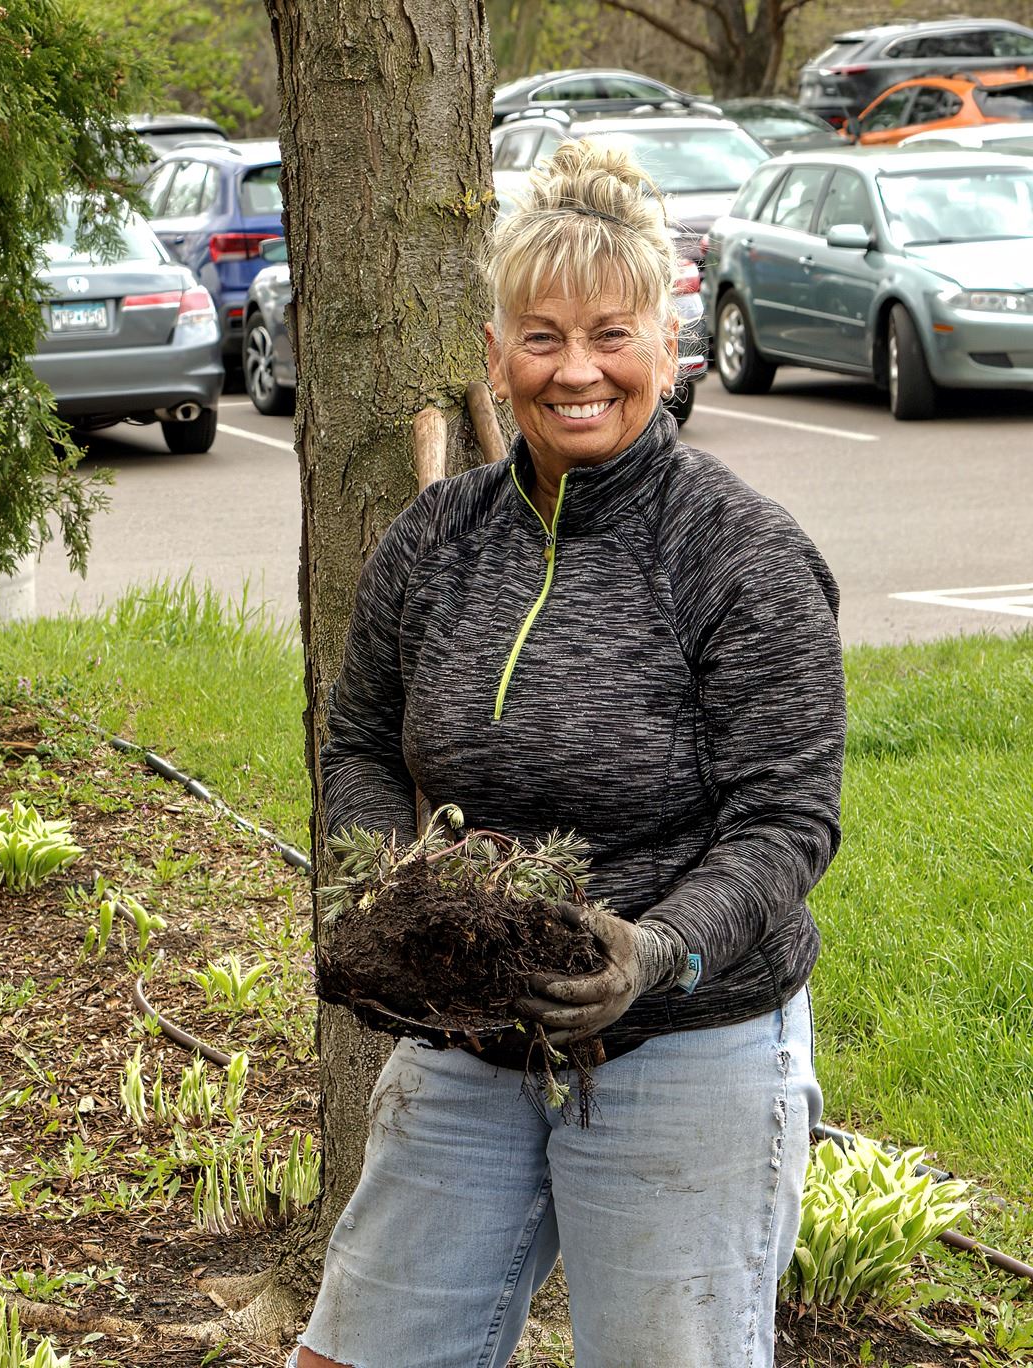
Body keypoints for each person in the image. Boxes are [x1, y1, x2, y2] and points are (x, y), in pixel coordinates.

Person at [294, 138, 844, 1368]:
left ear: (666, 347)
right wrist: (399, 888)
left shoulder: (737, 556)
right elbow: (359, 747)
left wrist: (651, 952)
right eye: (538, 337)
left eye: (608, 333)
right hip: (471, 1036)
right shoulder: (435, 541)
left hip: (685, 1047)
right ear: (494, 353)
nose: (574, 370)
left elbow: (786, 822)